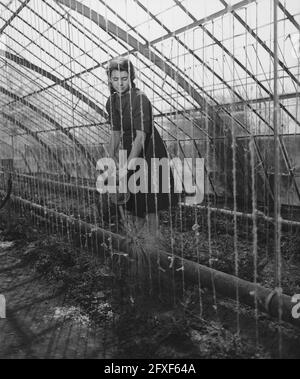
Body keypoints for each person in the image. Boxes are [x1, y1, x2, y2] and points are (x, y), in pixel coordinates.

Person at [105, 57, 178, 236]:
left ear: (131, 77)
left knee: (149, 202)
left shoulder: (139, 98)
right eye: (115, 79)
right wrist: (109, 157)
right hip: (131, 149)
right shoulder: (112, 101)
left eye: (124, 78)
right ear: (110, 79)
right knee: (135, 203)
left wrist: (126, 168)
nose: (120, 83)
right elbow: (115, 133)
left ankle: (152, 245)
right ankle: (138, 244)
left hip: (149, 150)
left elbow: (141, 136)